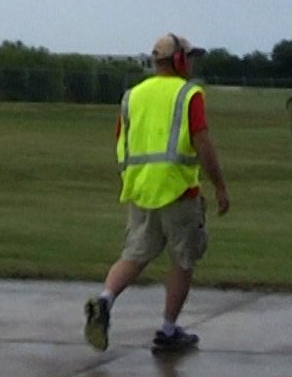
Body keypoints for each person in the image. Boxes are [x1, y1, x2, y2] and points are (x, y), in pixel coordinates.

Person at [83, 34, 230, 353]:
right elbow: (202, 142)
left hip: (139, 189)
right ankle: (168, 329)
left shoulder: (132, 96)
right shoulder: (188, 94)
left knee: (135, 254)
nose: (191, 64)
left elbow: (122, 140)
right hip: (178, 189)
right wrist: (219, 185)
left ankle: (105, 300)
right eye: (189, 58)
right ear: (178, 61)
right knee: (182, 258)